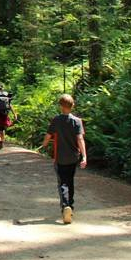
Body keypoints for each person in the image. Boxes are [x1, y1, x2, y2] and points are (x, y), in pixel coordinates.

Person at [38, 94, 87, 224]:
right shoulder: (77, 121)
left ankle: (65, 205)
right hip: (73, 157)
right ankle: (70, 206)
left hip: (60, 157)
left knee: (62, 183)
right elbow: (80, 139)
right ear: (72, 106)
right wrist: (84, 156)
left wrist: (44, 145)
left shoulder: (56, 120)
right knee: (70, 181)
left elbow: (48, 136)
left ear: (61, 106)